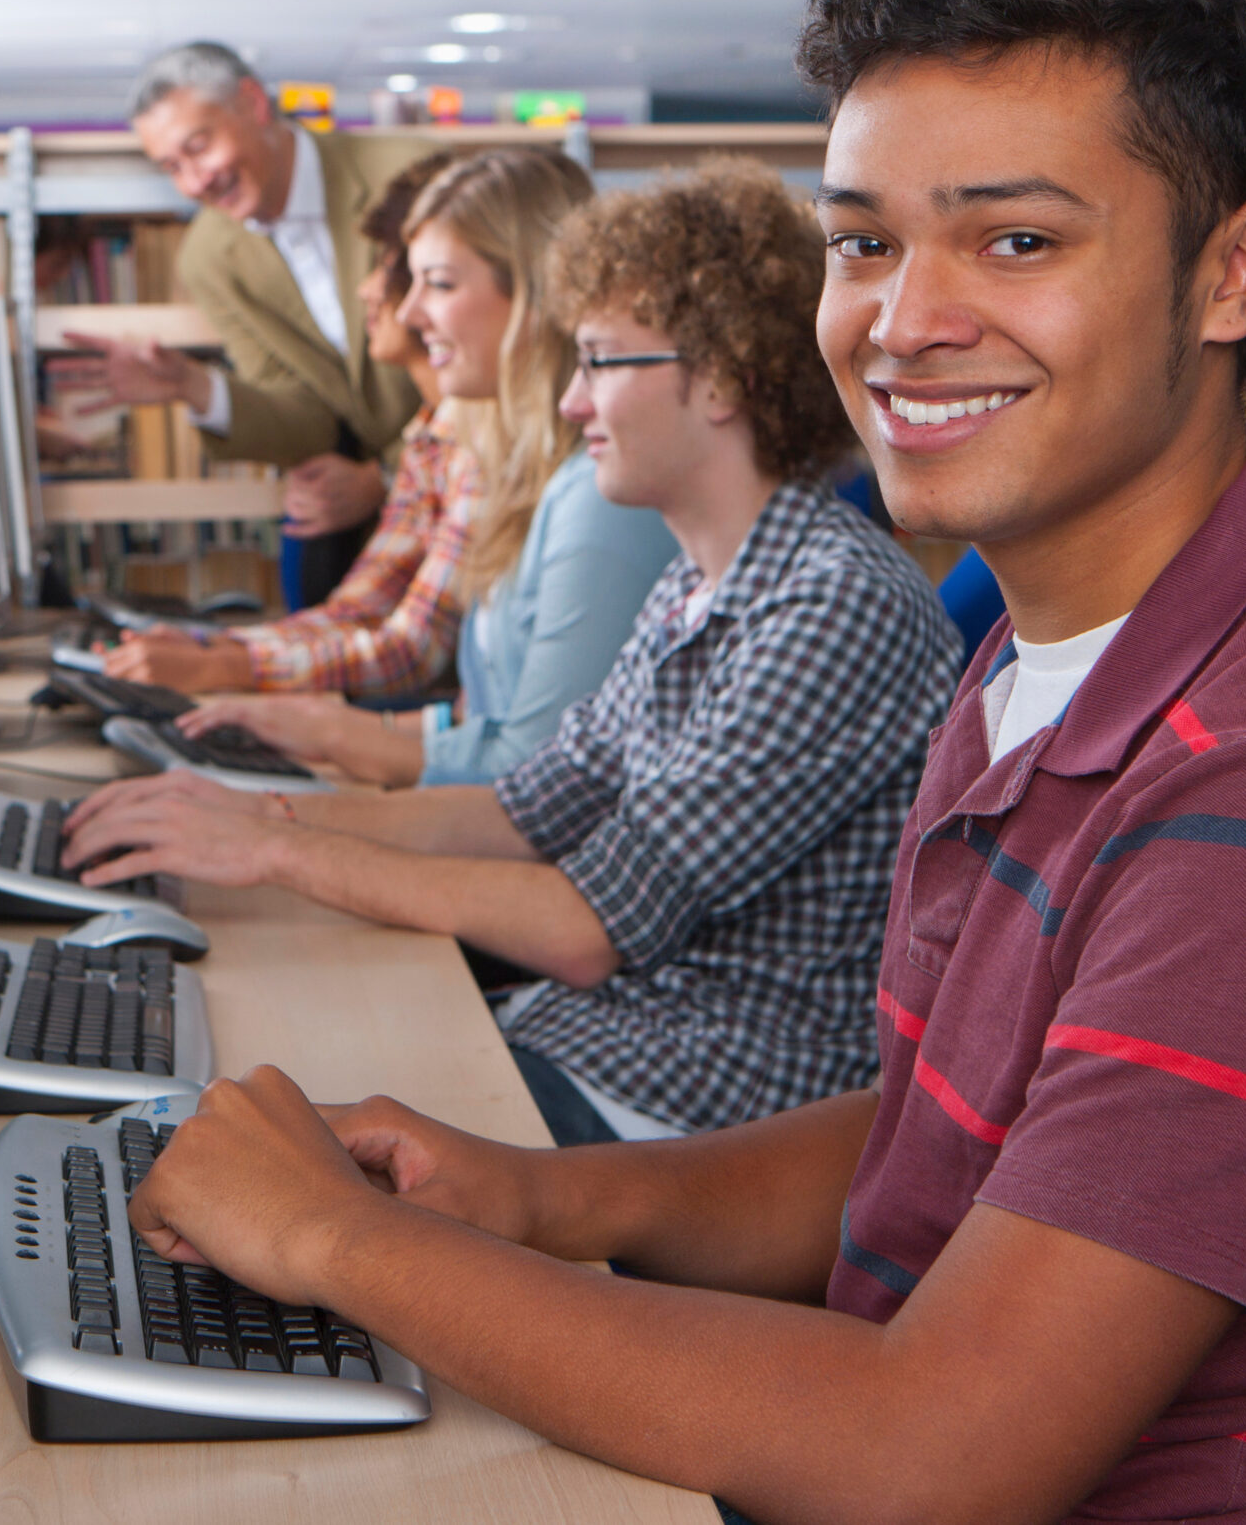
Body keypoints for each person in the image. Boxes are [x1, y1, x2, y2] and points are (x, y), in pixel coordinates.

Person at [88, 0, 1246, 1525]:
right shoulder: (1048, 632)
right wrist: (530, 1196)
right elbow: (961, 1134)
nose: (903, 318)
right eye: (864, 240)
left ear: (1233, 268)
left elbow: (938, 1453)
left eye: (1016, 239)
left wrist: (342, 1243)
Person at [65, 156, 959, 1141]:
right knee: (217, 1090)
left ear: (723, 378)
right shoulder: (694, 585)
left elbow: (586, 928)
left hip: (701, 1108)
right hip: (610, 1045)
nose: (572, 403)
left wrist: (278, 848)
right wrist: (251, 811)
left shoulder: (829, 604)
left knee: (216, 1132)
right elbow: (522, 811)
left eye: (600, 364)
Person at [159, 150, 687, 788]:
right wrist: (311, 724)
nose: (407, 313)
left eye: (437, 283)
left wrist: (328, 732)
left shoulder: (598, 494)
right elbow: (489, 718)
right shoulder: (506, 460)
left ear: (530, 291)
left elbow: (538, 775)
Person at [65, 42, 437, 605]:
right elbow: (305, 416)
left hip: (478, 484)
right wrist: (189, 386)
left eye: (199, 146)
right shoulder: (209, 258)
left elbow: (489, 360)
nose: (194, 183)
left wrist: (384, 479)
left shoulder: (411, 177)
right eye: (171, 167)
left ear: (253, 104)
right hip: (385, 540)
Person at [105, 150, 476, 702]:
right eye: (170, 166)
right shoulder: (430, 434)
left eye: (425, 278)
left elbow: (408, 650)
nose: (368, 290)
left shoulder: (481, 444)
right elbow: (361, 608)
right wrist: (213, 651)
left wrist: (226, 668)